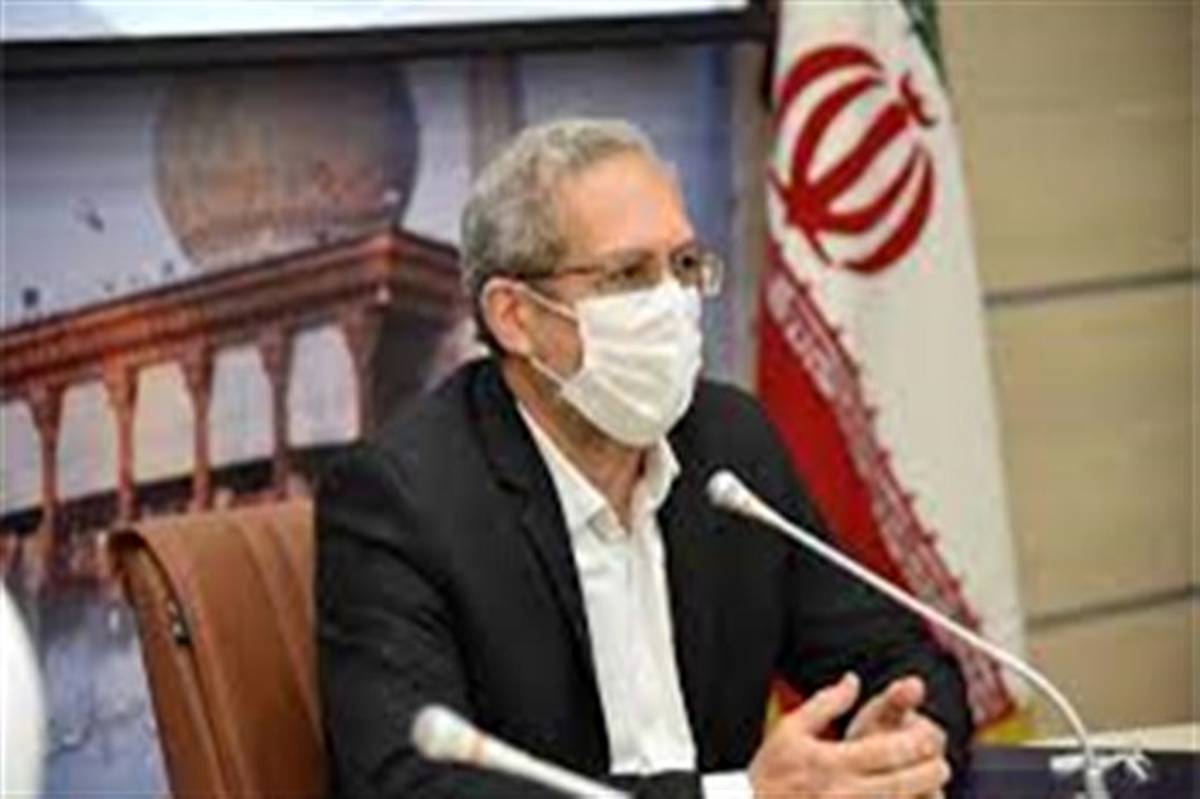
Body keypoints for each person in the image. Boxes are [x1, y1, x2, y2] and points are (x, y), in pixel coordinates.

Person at [317, 118, 971, 798]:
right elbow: (411, 786)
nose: (671, 302)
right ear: (515, 316)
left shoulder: (728, 444)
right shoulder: (405, 498)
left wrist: (895, 743)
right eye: (629, 274)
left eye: (684, 266)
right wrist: (740, 797)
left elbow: (903, 662)